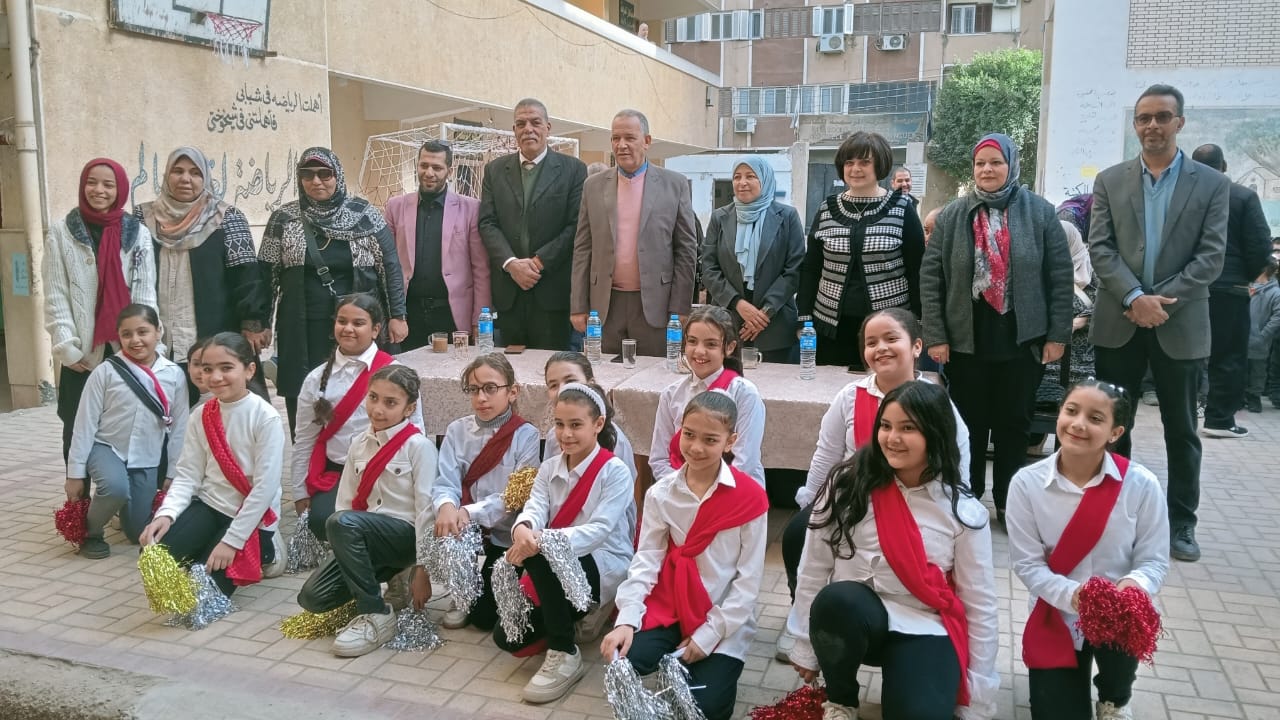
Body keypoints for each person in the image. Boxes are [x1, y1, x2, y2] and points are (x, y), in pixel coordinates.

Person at [788, 381, 999, 720]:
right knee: (837, 600)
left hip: (923, 623)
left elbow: (980, 603)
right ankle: (841, 700)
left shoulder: (962, 510)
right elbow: (813, 566)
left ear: (936, 433)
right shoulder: (847, 484)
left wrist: (979, 693)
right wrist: (804, 645)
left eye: (908, 428)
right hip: (855, 620)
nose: (892, 438)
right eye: (885, 426)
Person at [775, 308, 971, 662]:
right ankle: (805, 620)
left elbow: (958, 466)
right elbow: (827, 454)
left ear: (917, 347)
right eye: (871, 342)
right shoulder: (850, 397)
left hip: (916, 506)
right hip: (853, 502)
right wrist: (813, 503)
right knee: (798, 532)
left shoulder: (936, 402)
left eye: (891, 339)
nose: (880, 348)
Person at [1088, 85, 1230, 563]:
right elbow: (1100, 248)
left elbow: (1211, 257)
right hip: (1119, 320)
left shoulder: (1211, 185)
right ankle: (1114, 516)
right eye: (1144, 118)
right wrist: (1134, 296)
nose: (1152, 125)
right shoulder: (1110, 180)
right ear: (1135, 125)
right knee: (1112, 426)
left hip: (1180, 322)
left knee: (1182, 429)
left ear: (1179, 123)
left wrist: (1158, 301)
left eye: (1163, 117)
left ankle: (1182, 522)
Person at [921, 133, 1074, 523]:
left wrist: (1057, 335)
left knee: (1014, 425)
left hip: (1023, 340)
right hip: (966, 340)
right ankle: (968, 497)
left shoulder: (1040, 213)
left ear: (1011, 165)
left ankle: (1010, 501)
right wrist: (936, 335)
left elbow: (1060, 277)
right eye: (980, 163)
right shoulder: (953, 215)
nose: (987, 170)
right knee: (968, 425)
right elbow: (931, 278)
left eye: (996, 162)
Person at [1007, 379, 1169, 720]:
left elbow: (1153, 560)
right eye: (1071, 411)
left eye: (1095, 418)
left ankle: (1115, 698)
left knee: (1124, 637)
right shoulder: (1026, 483)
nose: (1078, 424)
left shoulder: (1141, 485)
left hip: (1119, 612)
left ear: (1115, 432)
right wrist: (1074, 596)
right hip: (1057, 612)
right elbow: (1028, 564)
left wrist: (1132, 587)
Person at [603, 391, 768, 720]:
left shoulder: (750, 498)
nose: (696, 447)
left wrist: (709, 634)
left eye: (710, 440)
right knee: (624, 661)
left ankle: (693, 673)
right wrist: (626, 619)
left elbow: (747, 582)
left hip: (721, 614)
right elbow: (647, 560)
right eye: (689, 434)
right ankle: (670, 667)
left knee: (706, 709)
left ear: (731, 441)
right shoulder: (661, 494)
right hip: (670, 605)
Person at [498, 383, 636, 703]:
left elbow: (599, 531)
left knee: (540, 554)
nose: (566, 434)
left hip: (602, 560)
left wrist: (541, 540)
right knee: (508, 637)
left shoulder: (614, 471)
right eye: (559, 424)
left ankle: (565, 651)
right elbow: (535, 508)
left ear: (598, 424)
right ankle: (571, 617)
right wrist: (524, 528)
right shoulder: (550, 467)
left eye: (576, 425)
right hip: (554, 561)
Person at [259, 147, 408, 435]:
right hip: (303, 328)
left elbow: (390, 267)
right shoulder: (284, 218)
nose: (317, 181)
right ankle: (310, 456)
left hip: (358, 326)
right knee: (306, 397)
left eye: (324, 174)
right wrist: (260, 322)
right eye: (308, 174)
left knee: (363, 392)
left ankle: (363, 453)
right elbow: (266, 273)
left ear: (337, 175)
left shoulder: (364, 214)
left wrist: (397, 316)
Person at [296, 365, 438, 658]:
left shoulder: (418, 447)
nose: (378, 409)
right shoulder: (359, 444)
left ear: (409, 408)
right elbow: (345, 502)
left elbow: (426, 511)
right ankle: (387, 582)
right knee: (313, 597)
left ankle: (375, 613)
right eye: (373, 398)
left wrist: (423, 569)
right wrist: (348, 556)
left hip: (403, 537)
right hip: (363, 534)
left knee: (343, 523)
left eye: (390, 402)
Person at [140, 333, 285, 596]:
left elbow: (264, 489)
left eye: (226, 368)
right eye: (207, 369)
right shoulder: (201, 415)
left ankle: (269, 548)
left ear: (249, 370)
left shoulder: (266, 418)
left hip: (251, 518)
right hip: (211, 506)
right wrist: (165, 515)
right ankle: (205, 548)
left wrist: (232, 541)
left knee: (205, 594)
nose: (215, 377)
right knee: (153, 556)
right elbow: (188, 475)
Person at [44, 158, 158, 464]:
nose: (99, 190)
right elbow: (56, 294)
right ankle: (76, 492)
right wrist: (67, 346)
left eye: (108, 184)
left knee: (128, 424)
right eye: (91, 182)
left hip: (126, 349)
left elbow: (145, 293)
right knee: (76, 428)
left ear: (120, 190)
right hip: (82, 354)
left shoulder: (137, 233)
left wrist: (146, 342)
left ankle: (123, 489)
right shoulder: (61, 232)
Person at [135, 146, 271, 403]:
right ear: (166, 175)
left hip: (214, 333)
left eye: (195, 173)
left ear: (206, 178)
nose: (185, 179)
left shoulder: (226, 217)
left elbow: (247, 277)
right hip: (159, 336)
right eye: (178, 171)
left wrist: (253, 323)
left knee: (219, 410)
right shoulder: (143, 218)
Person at [291, 294, 423, 542]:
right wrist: (299, 492)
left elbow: (416, 431)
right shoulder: (316, 379)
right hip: (339, 474)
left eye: (358, 323)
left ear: (375, 329)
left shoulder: (399, 373)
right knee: (323, 521)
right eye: (342, 321)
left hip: (390, 472)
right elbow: (305, 439)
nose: (348, 329)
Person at [572, 109, 698, 356]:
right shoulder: (593, 186)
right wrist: (578, 305)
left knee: (654, 374)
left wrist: (680, 306)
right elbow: (582, 248)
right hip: (605, 306)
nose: (621, 145)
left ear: (647, 141)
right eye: (615, 138)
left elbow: (686, 249)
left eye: (629, 138)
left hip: (656, 305)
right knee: (603, 373)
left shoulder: (675, 184)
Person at [66, 304, 189, 558]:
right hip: (107, 447)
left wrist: (173, 473)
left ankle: (117, 511)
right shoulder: (105, 371)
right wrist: (75, 474)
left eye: (143, 332)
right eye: (127, 334)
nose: (135, 340)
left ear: (158, 331)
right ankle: (91, 533)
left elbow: (180, 429)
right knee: (115, 487)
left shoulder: (174, 375)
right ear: (119, 337)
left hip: (147, 457)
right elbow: (84, 424)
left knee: (136, 533)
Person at [432, 354, 542, 631]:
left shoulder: (526, 435)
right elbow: (446, 480)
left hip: (504, 533)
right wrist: (446, 505)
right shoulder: (457, 430)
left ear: (512, 392)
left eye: (490, 388)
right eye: (474, 389)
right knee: (444, 517)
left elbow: (516, 496)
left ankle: (492, 586)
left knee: (484, 618)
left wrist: (469, 511)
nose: (481, 398)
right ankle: (461, 593)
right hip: (464, 528)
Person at [798, 132, 924, 368]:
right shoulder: (827, 209)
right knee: (831, 386)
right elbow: (811, 268)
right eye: (849, 162)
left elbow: (917, 269)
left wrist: (918, 321)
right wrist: (804, 317)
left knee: (886, 386)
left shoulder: (902, 208)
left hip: (889, 328)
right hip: (831, 327)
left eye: (864, 162)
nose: (855, 169)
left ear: (880, 165)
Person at [478, 99, 588, 351]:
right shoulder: (495, 170)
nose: (528, 129)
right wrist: (511, 264)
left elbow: (576, 226)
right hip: (509, 294)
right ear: (514, 130)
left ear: (548, 128)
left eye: (535, 122)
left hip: (552, 294)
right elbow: (487, 222)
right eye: (521, 124)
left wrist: (538, 263)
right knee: (509, 367)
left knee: (552, 367)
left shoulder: (573, 170)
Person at [1189, 144, 1273, 438]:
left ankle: (1182, 416)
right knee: (1228, 356)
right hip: (1229, 287)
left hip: (1188, 287)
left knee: (1185, 355)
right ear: (1224, 166)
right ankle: (1220, 420)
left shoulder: (1183, 197)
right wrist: (1246, 278)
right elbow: (1259, 245)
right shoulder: (1242, 196)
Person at [387, 140, 491, 351]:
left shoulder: (470, 208)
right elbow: (386, 264)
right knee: (407, 370)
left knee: (457, 370)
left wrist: (478, 319)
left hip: (453, 315)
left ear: (449, 171)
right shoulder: (395, 206)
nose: (429, 173)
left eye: (437, 167)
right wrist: (393, 314)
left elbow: (481, 269)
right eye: (424, 165)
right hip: (409, 314)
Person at [700, 157, 806, 363]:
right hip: (728, 319)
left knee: (777, 381)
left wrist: (764, 313)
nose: (742, 182)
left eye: (750, 176)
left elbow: (794, 269)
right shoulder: (720, 217)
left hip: (775, 324)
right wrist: (738, 304)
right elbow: (709, 268)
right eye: (737, 177)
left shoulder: (787, 216)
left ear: (764, 180)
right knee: (729, 380)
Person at [649, 306, 766, 486]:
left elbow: (745, 462)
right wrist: (683, 490)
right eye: (692, 341)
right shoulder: (671, 394)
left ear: (729, 347)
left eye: (710, 344)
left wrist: (706, 493)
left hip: (734, 489)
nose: (699, 351)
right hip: (679, 490)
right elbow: (659, 459)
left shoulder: (744, 393)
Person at [1035, 217, 1098, 412]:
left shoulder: (1095, 272)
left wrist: (1083, 320)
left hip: (1082, 364)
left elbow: (1106, 307)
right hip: (1046, 362)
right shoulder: (1038, 270)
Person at [543, 351, 637, 479]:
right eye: (553, 385)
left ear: (590, 383)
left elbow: (626, 485)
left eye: (570, 381)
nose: (561, 390)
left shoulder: (615, 440)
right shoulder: (553, 437)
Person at [1246, 262, 1280, 413]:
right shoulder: (1248, 286)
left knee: (1258, 370)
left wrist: (1263, 334)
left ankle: (1254, 396)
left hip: (1260, 339)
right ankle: (1240, 395)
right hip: (1242, 335)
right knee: (1241, 367)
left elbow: (1277, 317)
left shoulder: (1275, 293)